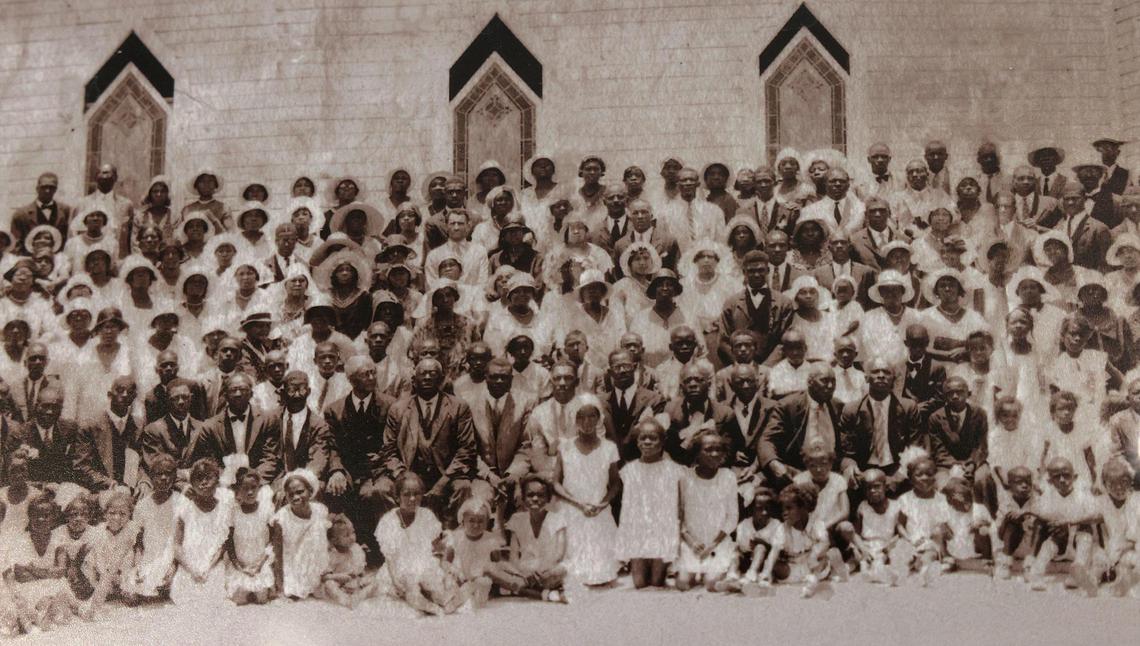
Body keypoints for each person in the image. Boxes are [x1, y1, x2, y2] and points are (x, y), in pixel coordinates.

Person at [553, 393, 620, 585]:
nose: (587, 421)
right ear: (575, 419)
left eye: (592, 416)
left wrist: (602, 504)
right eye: (581, 417)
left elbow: (615, 483)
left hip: (598, 510)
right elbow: (556, 482)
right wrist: (578, 504)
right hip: (572, 510)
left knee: (602, 575)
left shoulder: (609, 448)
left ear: (599, 419)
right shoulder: (565, 447)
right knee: (573, 573)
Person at [373, 472, 463, 616]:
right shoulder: (388, 521)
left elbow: (436, 547)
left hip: (422, 562)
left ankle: (443, 601)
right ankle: (429, 607)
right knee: (411, 588)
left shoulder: (426, 515)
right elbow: (389, 557)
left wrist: (446, 564)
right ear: (397, 497)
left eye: (417, 494)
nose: (412, 499)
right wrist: (395, 579)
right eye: (406, 494)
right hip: (399, 566)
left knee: (435, 587)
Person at [614, 420, 684, 589]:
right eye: (643, 438)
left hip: (661, 531)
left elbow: (679, 506)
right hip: (638, 531)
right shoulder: (628, 470)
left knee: (656, 583)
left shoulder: (674, 470)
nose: (647, 442)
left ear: (662, 442)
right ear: (637, 442)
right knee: (639, 583)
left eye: (653, 438)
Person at [759, 364, 842, 486]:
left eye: (833, 381)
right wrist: (774, 464)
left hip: (831, 471)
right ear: (809, 382)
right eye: (824, 381)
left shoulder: (837, 407)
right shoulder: (788, 406)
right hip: (798, 471)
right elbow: (767, 440)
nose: (830, 386)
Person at [189, 373, 281, 484]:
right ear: (225, 395)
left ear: (251, 394)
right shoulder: (209, 427)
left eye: (243, 389)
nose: (238, 394)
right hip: (224, 485)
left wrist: (252, 483)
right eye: (233, 390)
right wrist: (229, 481)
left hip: (259, 483)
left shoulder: (268, 420)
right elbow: (209, 463)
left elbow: (270, 458)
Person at [1025, 458, 1100, 591]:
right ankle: (1037, 573)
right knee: (1049, 539)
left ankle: (1077, 571)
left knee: (1085, 534)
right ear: (1050, 480)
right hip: (1060, 538)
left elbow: (1097, 514)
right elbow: (1037, 510)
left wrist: (1071, 521)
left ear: (1074, 476)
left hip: (1078, 539)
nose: (1062, 480)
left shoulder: (1082, 493)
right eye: (1056, 477)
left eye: (1066, 475)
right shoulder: (1049, 494)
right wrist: (1057, 520)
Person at [676, 431, 738, 591]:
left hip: (717, 542)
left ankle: (730, 574)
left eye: (719, 449)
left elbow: (732, 517)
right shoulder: (685, 477)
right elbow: (678, 515)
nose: (715, 454)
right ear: (697, 453)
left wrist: (713, 545)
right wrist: (690, 541)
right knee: (683, 584)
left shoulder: (728, 477)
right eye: (708, 449)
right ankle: (700, 571)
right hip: (692, 542)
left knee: (711, 584)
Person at [753, 481, 832, 597]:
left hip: (813, 565)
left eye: (789, 508)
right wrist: (767, 570)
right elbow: (774, 551)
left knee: (826, 556)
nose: (784, 513)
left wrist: (814, 554)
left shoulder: (815, 523)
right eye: (783, 509)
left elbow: (825, 542)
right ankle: (765, 581)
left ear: (803, 508)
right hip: (792, 567)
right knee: (775, 565)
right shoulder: (783, 528)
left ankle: (812, 581)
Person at [171, 458, 232, 606]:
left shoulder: (223, 509)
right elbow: (177, 546)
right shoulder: (185, 508)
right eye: (198, 479)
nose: (203, 483)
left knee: (214, 597)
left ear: (217, 481)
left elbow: (223, 544)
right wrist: (191, 569)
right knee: (186, 598)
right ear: (191, 483)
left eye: (208, 478)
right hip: (189, 563)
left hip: (212, 563)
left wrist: (209, 567)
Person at [502, 474, 570, 601]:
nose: (535, 498)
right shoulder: (517, 519)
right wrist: (523, 574)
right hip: (525, 572)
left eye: (540, 495)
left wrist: (543, 570)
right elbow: (514, 557)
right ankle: (547, 595)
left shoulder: (558, 519)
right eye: (530, 495)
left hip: (548, 570)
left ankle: (527, 591)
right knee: (500, 567)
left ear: (548, 498)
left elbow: (559, 554)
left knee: (566, 568)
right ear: (523, 498)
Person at [121, 453, 179, 601]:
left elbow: (183, 541)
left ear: (175, 476)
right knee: (132, 594)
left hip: (173, 558)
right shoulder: (143, 505)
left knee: (175, 585)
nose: (164, 478)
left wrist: (174, 565)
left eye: (168, 474)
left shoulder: (181, 502)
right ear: (151, 476)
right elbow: (138, 542)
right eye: (159, 474)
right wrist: (139, 565)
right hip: (149, 557)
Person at [272, 468, 330, 600]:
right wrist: (281, 585)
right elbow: (278, 553)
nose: (295, 497)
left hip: (315, 562)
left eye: (300, 492)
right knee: (294, 591)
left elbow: (324, 541)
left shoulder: (320, 510)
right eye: (290, 494)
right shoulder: (281, 518)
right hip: (293, 566)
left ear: (310, 491)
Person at [222, 469, 274, 605]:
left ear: (259, 488)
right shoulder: (234, 511)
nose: (250, 492)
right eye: (245, 489)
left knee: (262, 599)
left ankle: (261, 588)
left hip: (261, 562)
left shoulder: (266, 509)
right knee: (239, 599)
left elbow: (273, 541)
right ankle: (245, 587)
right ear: (238, 490)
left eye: (253, 488)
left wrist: (260, 564)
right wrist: (239, 566)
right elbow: (229, 544)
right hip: (241, 563)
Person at [318, 514, 377, 608]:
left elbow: (361, 570)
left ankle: (358, 597)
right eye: (346, 535)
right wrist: (339, 576)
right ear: (334, 540)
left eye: (353, 532)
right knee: (329, 585)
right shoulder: (332, 554)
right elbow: (324, 577)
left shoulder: (356, 549)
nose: (352, 537)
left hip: (355, 582)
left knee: (375, 580)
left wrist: (360, 575)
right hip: (339, 583)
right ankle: (345, 600)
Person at [800, 168, 865, 235]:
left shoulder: (862, 209)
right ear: (824, 184)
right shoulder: (809, 210)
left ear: (848, 184)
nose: (837, 184)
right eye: (833, 181)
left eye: (842, 181)